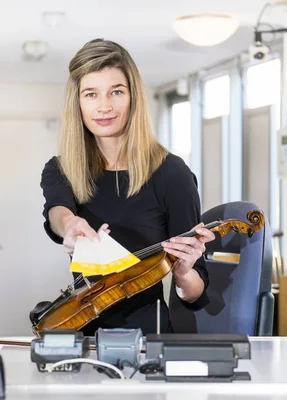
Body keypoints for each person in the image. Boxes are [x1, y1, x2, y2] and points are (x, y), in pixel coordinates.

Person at [40, 38, 215, 336]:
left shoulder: (172, 173)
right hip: (81, 334)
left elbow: (195, 295)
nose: (104, 106)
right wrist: (69, 224)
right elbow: (58, 209)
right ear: (78, 103)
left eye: (116, 92)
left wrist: (185, 272)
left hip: (150, 338)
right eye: (91, 94)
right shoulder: (61, 168)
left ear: (133, 97)